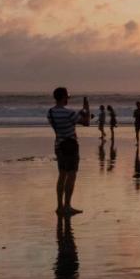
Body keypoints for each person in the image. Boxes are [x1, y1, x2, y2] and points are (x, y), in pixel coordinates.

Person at [48, 87, 91, 216]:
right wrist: (87, 109)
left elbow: (66, 121)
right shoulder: (70, 113)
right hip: (71, 146)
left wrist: (78, 114)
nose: (68, 99)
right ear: (63, 97)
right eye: (67, 97)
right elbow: (86, 122)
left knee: (62, 175)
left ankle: (59, 206)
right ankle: (67, 206)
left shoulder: (50, 112)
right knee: (71, 175)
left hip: (59, 145)